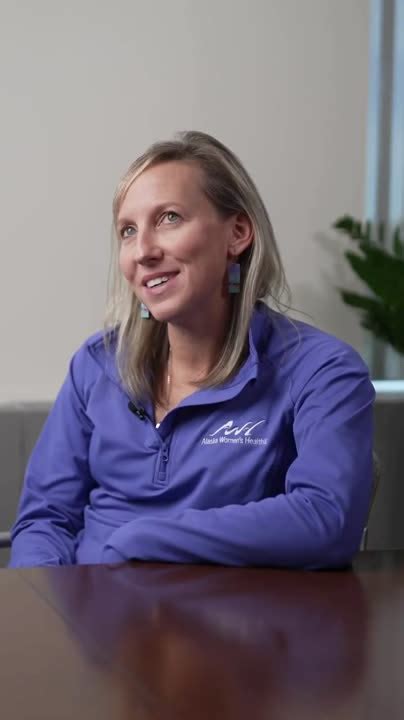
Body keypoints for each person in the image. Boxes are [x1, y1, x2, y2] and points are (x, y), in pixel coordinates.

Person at [9, 130, 375, 569]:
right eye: (128, 230)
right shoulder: (97, 364)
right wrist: (44, 602)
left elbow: (326, 518)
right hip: (87, 606)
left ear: (237, 233)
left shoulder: (322, 370)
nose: (143, 251)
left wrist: (141, 541)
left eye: (169, 218)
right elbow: (46, 520)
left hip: (228, 611)